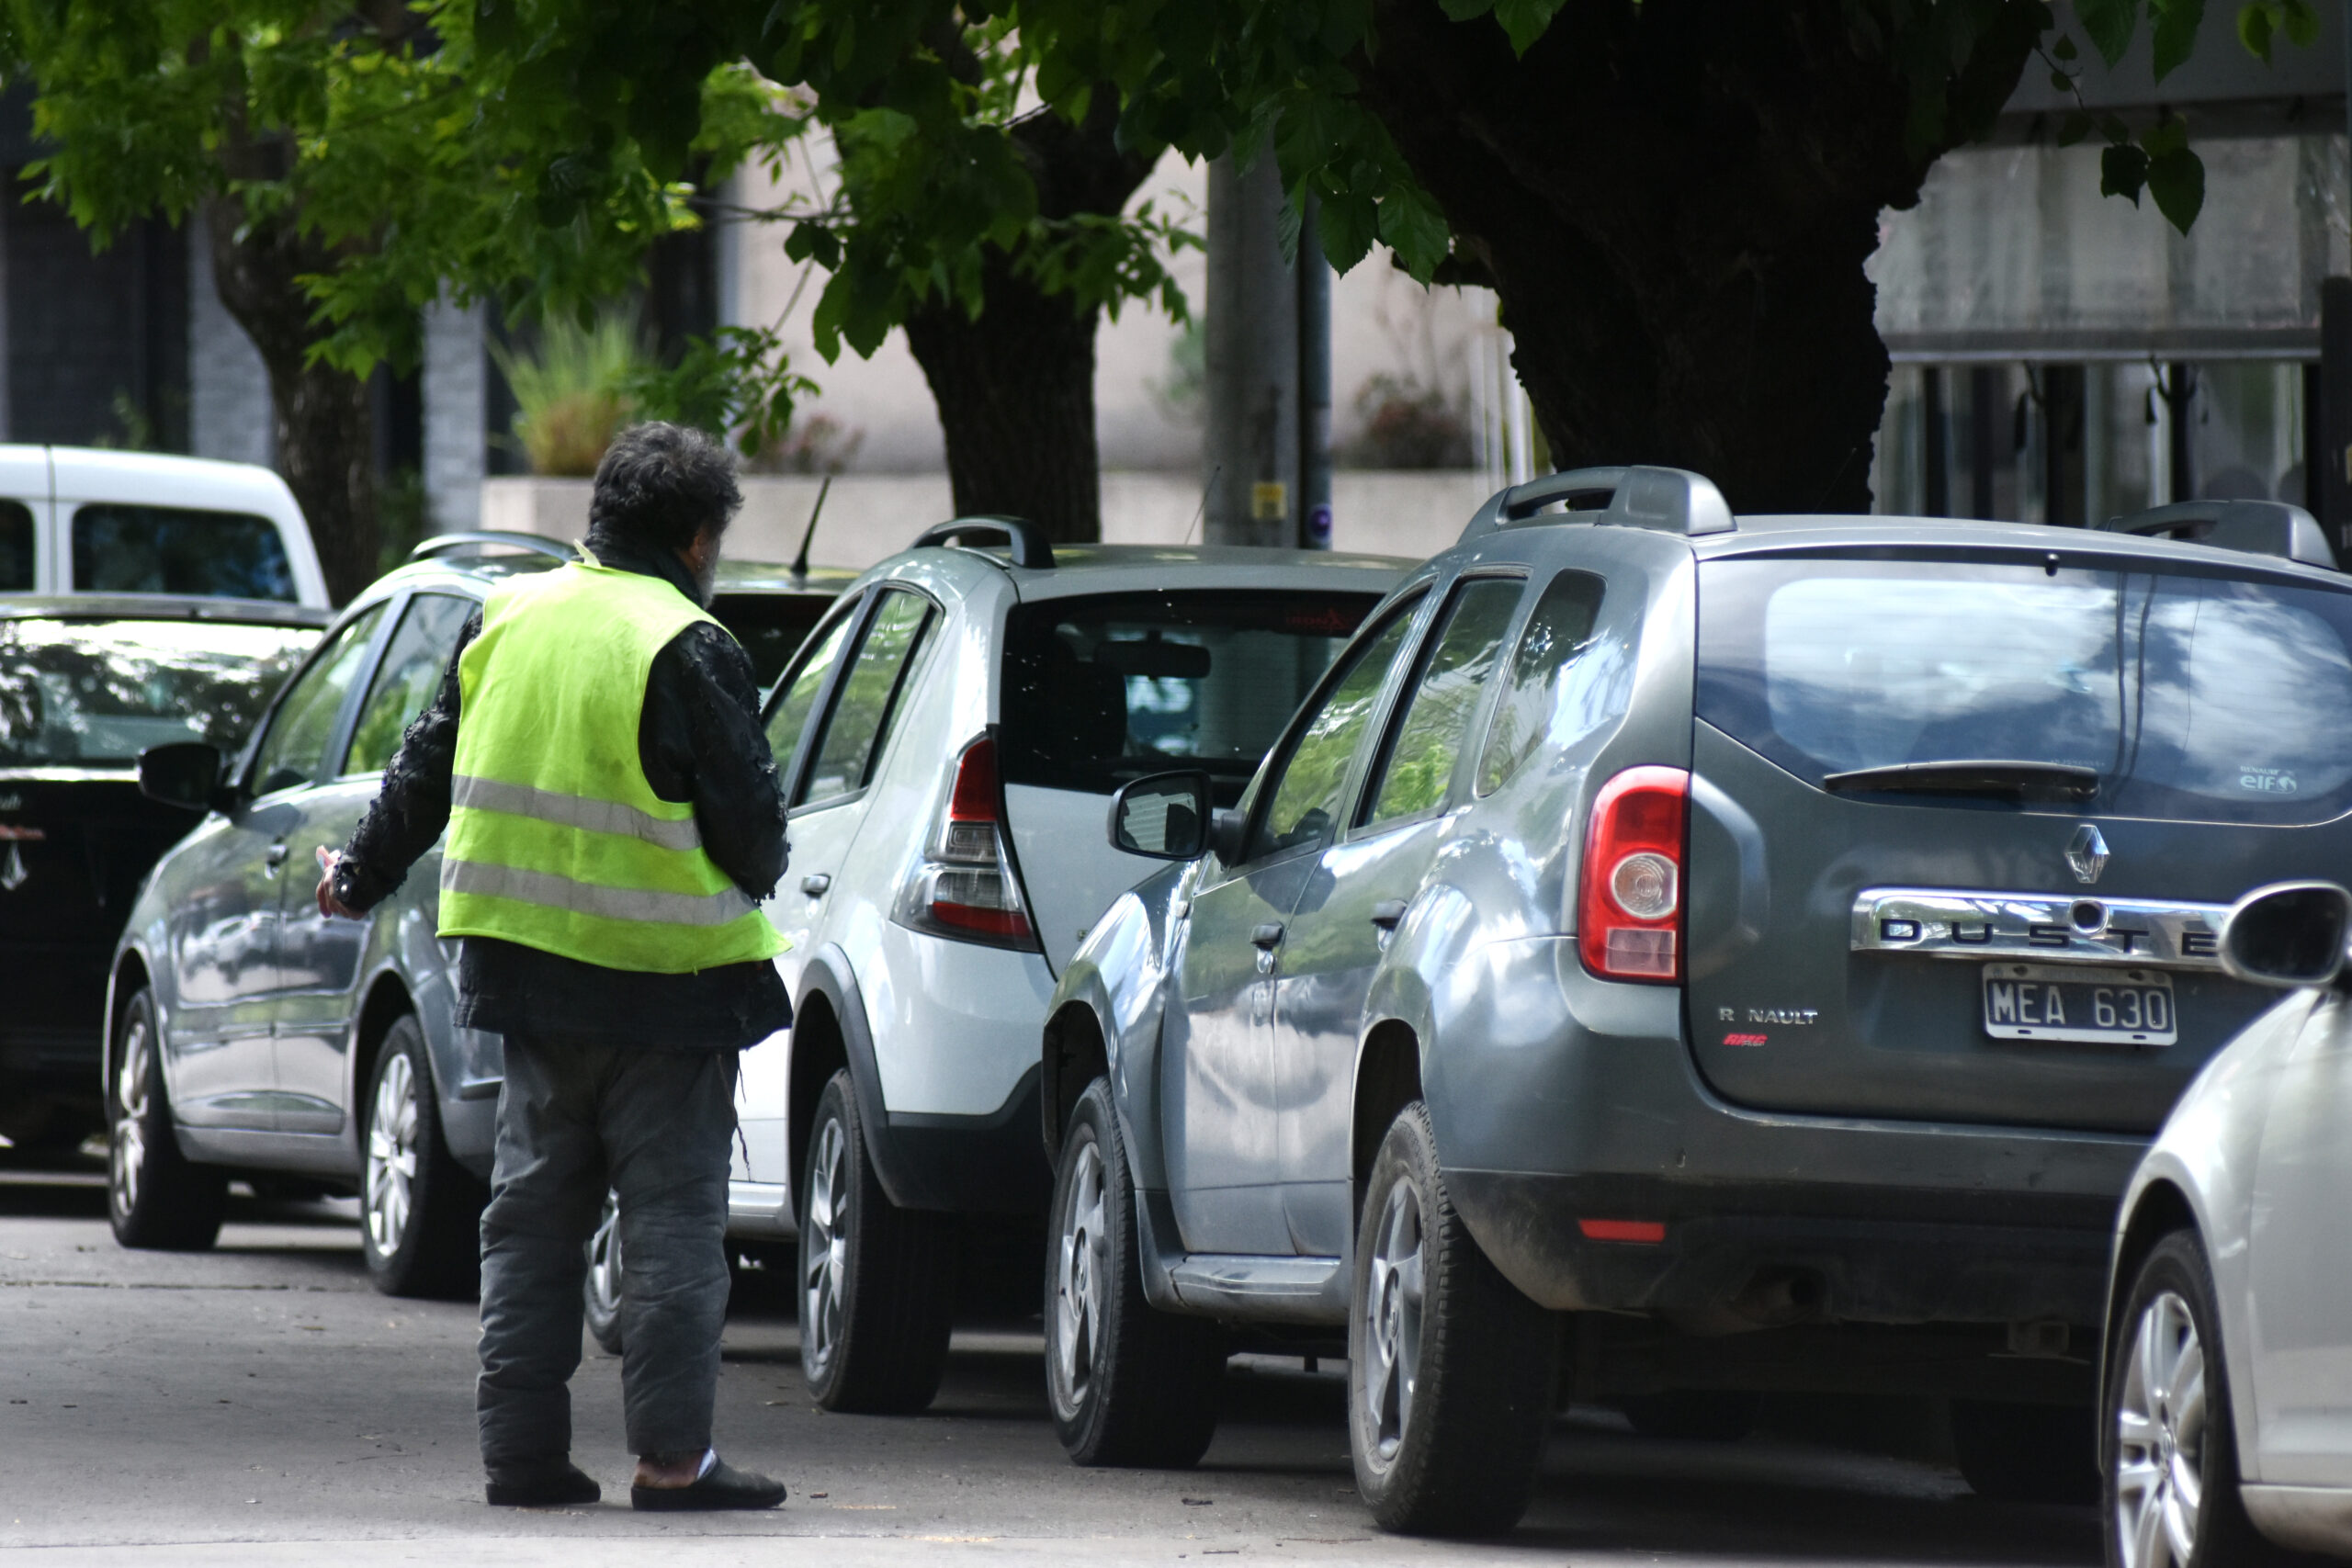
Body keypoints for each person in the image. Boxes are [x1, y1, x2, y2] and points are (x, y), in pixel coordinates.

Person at [316, 422, 792, 1511]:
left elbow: (420, 773)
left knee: (529, 1221)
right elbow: (755, 839)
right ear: (695, 537)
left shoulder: (505, 618)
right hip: (670, 996)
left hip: (529, 990)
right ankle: (673, 1463)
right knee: (670, 1227)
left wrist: (360, 873)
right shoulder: (687, 643)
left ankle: (521, 1458)